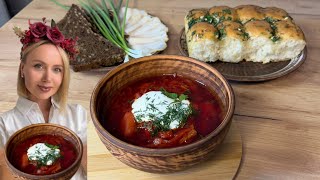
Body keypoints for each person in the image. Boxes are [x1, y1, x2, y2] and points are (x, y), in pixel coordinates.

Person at [0, 18, 87, 179]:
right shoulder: (4, 124)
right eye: (38, 66)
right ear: (22, 69)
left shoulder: (78, 114)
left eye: (57, 69)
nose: (47, 77)